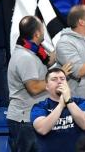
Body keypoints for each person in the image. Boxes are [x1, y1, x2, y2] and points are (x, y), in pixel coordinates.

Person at [8, 16, 55, 152]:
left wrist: (63, 47)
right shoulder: (25, 57)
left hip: (30, 117)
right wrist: (56, 78)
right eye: (42, 28)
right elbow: (33, 88)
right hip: (25, 120)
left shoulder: (33, 51)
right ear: (37, 34)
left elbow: (48, 61)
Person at [31, 67, 85, 151]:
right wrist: (60, 106)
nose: (59, 81)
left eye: (62, 79)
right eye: (54, 79)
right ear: (47, 86)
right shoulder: (39, 107)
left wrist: (68, 101)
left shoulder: (81, 102)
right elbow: (42, 129)